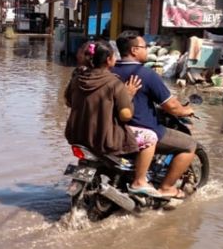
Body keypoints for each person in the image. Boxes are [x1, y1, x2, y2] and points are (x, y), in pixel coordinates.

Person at [65, 41, 162, 197]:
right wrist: (128, 95)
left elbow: (68, 101)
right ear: (109, 59)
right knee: (151, 137)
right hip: (103, 138)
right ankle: (139, 181)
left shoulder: (77, 79)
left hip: (77, 136)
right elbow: (125, 115)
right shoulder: (114, 83)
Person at [112, 31, 197, 200]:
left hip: (114, 129)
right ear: (134, 50)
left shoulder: (109, 71)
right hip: (142, 130)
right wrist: (186, 110)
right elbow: (172, 106)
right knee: (190, 145)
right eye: (145, 47)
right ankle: (166, 187)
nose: (148, 50)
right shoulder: (146, 74)